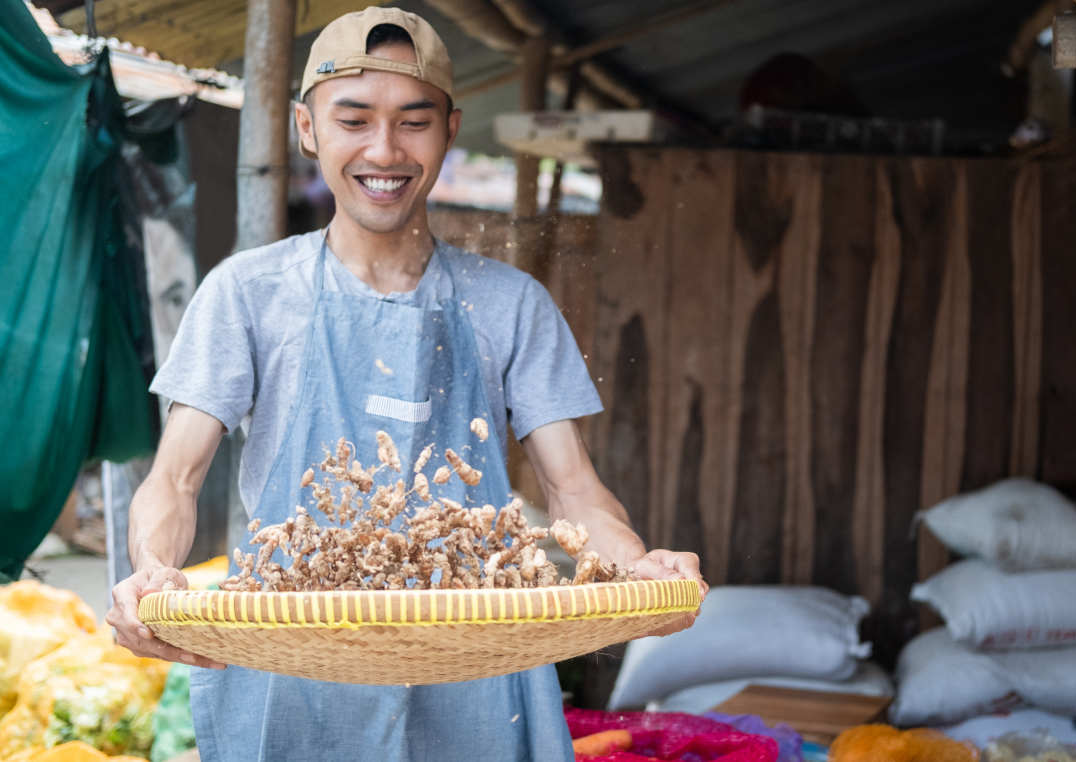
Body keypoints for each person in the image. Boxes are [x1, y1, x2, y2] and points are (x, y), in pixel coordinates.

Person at [104, 8, 705, 761]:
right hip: (293, 669)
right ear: (306, 128)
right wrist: (153, 574)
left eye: (412, 122)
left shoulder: (510, 304)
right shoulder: (249, 295)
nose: (384, 150)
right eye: (353, 119)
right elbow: (177, 478)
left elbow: (576, 493)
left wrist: (637, 568)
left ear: (451, 129)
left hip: (476, 672)